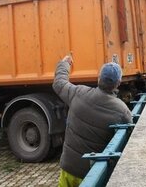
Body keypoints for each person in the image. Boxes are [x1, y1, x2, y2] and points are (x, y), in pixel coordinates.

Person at [53, 54, 132, 187]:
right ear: (118, 83)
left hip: (68, 169)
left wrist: (65, 64)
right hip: (92, 176)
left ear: (99, 78)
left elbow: (59, 83)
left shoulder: (78, 93)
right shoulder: (122, 111)